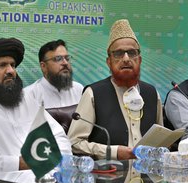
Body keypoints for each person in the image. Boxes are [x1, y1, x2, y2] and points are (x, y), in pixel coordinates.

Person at [0, 38, 72, 174]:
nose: (11, 71)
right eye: (2, 65)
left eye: (13, 65)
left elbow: (57, 134)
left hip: (45, 179)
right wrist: (16, 163)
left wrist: (60, 158)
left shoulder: (26, 100)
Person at [68, 19, 163, 160]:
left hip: (147, 175)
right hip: (109, 175)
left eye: (132, 53)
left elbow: (160, 137)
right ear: (109, 62)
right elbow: (74, 143)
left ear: (140, 60)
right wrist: (113, 152)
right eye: (118, 54)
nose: (126, 59)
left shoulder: (151, 93)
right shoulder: (94, 93)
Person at [24, 39, 83, 132]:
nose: (65, 63)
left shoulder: (79, 89)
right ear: (43, 66)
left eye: (67, 58)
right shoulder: (29, 95)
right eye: (58, 59)